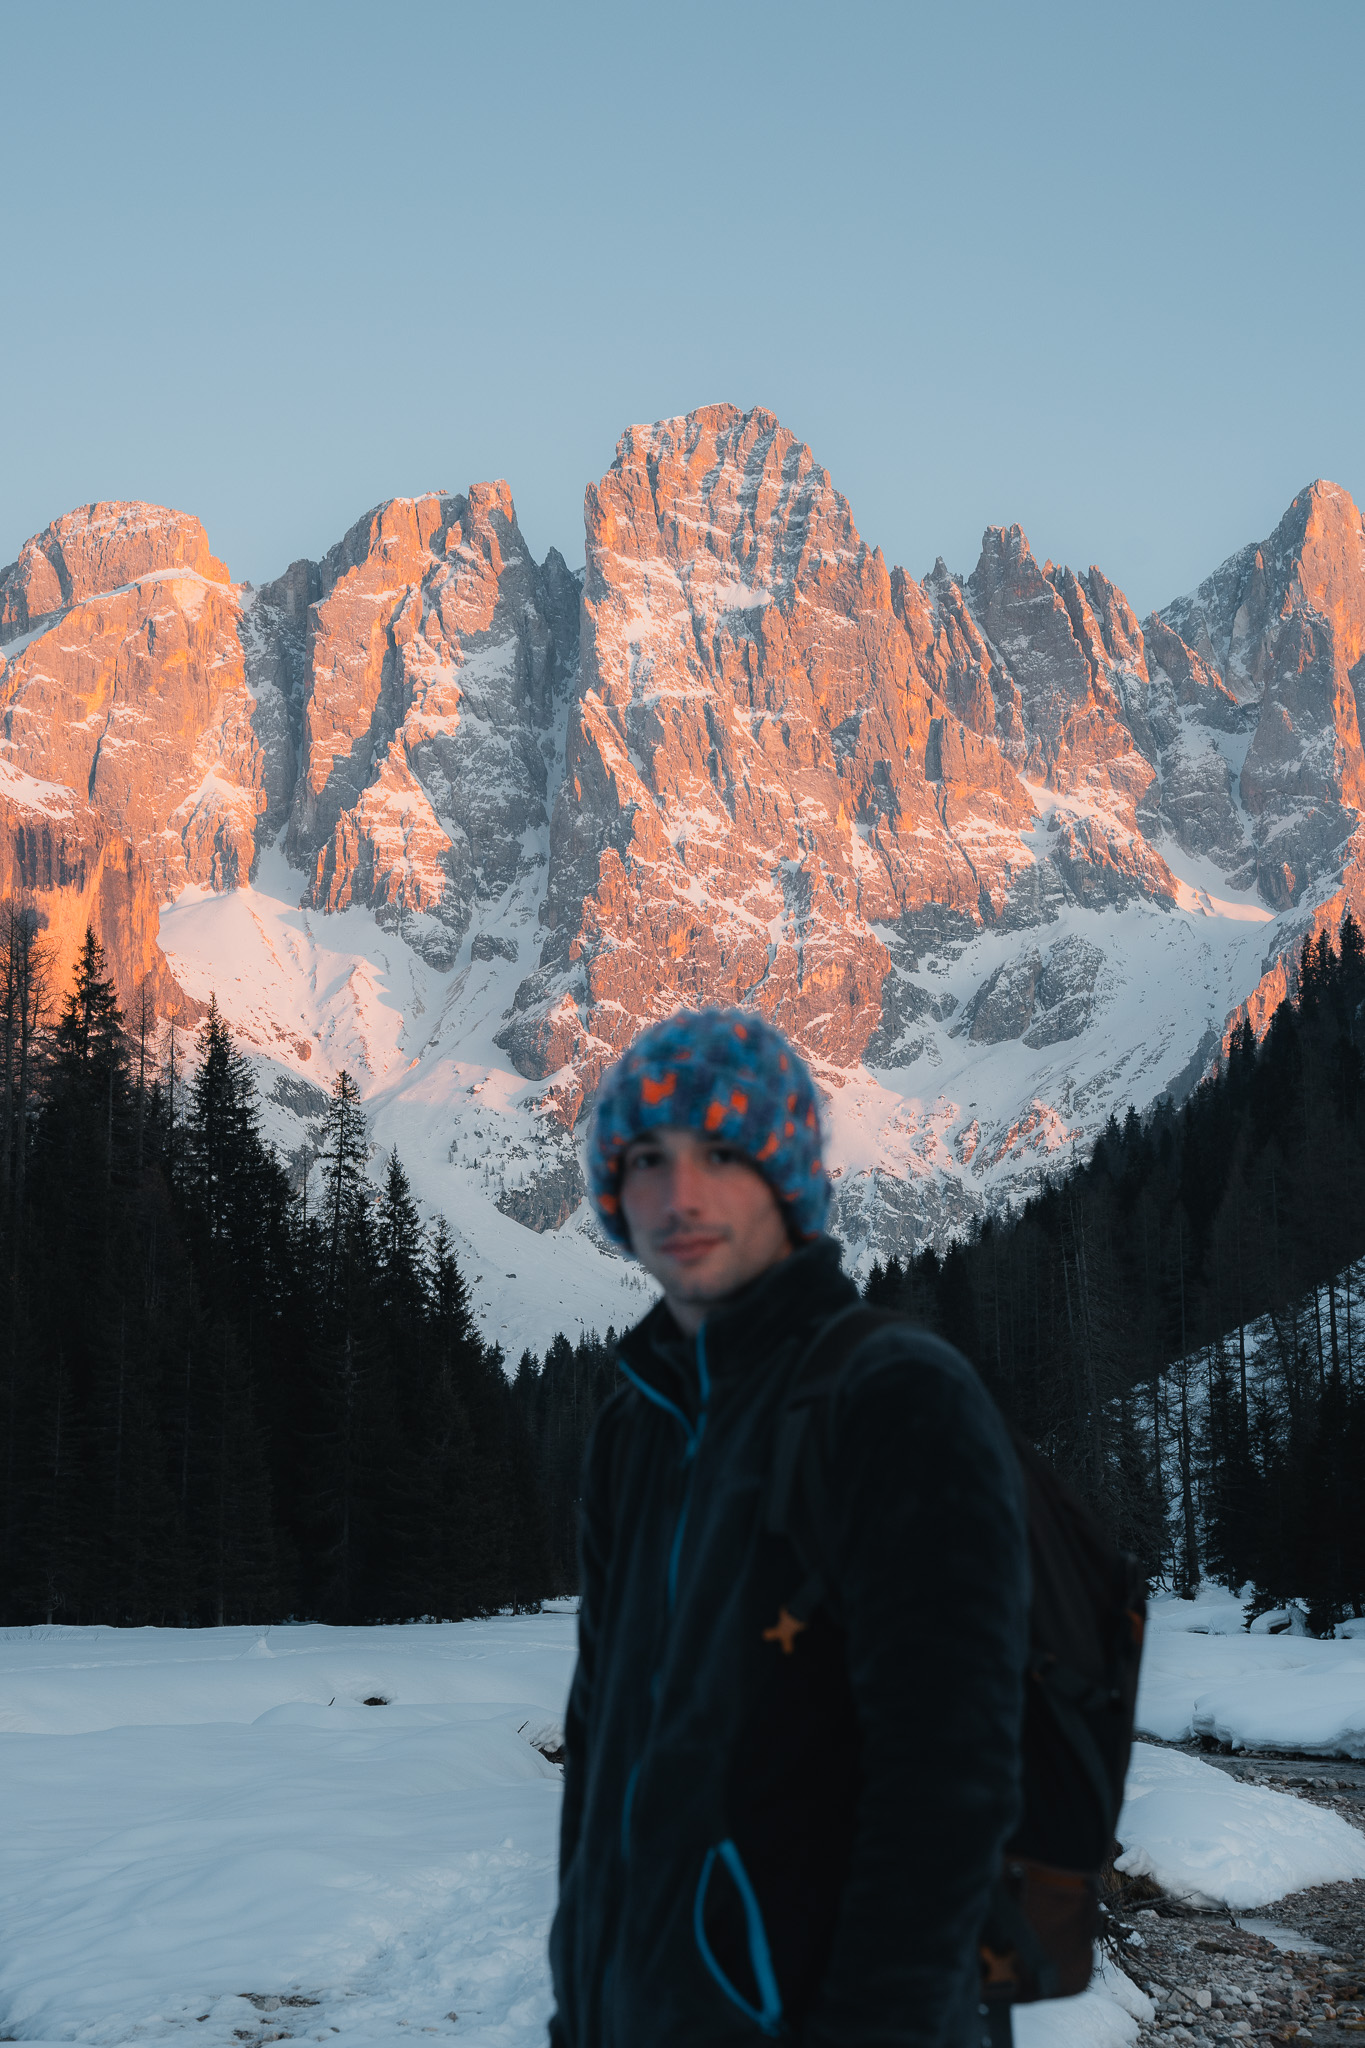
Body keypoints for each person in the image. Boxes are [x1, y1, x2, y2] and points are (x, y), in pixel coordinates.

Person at [548, 1008, 1028, 2047]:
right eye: (644, 1158)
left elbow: (950, 1784)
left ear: (786, 1175)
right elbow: (599, 1749)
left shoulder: (893, 1394)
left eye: (721, 1151)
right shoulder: (637, 1420)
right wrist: (577, 2000)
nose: (678, 1193)